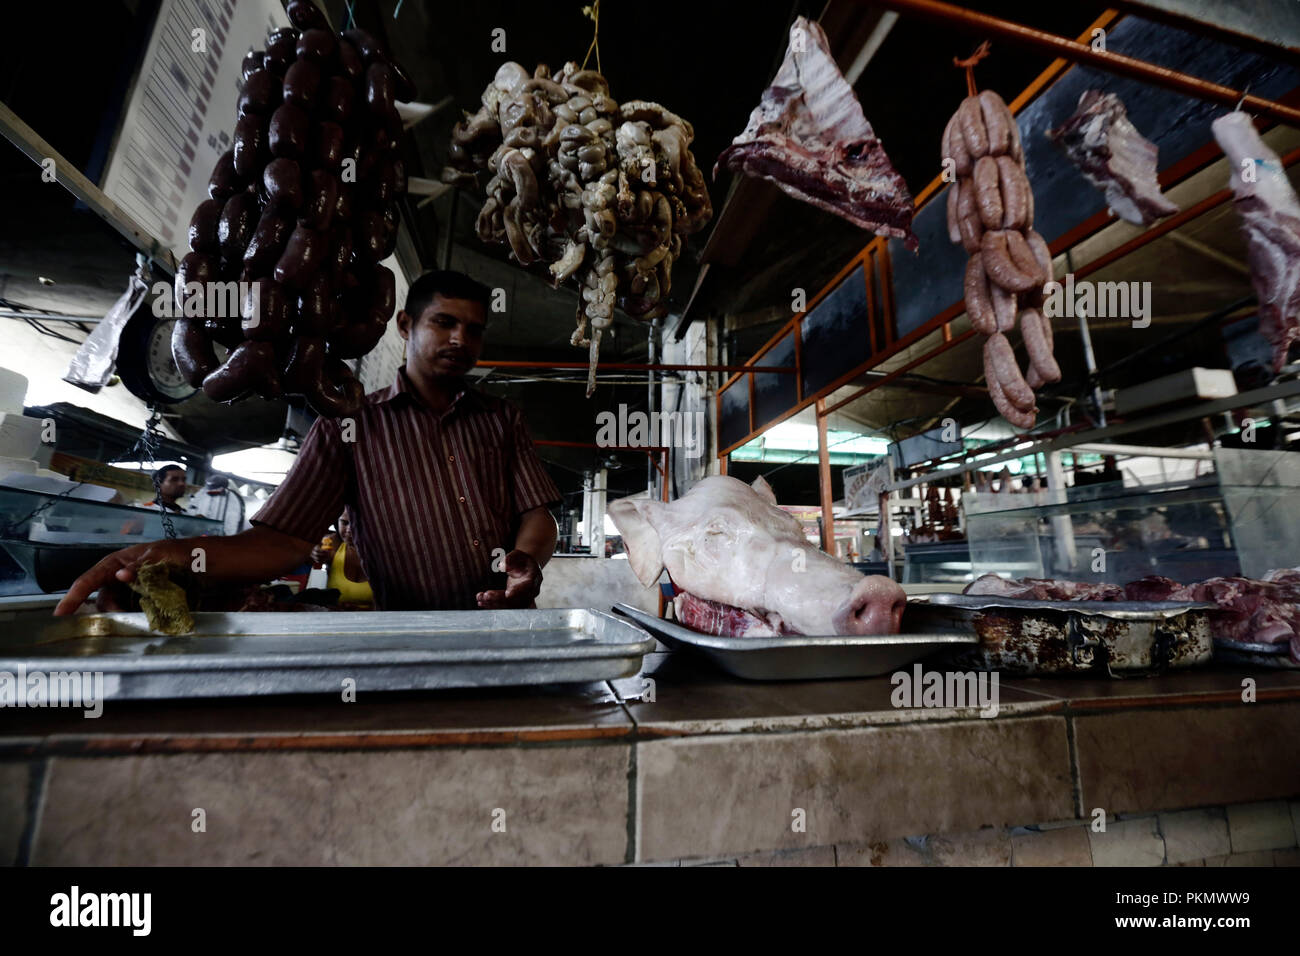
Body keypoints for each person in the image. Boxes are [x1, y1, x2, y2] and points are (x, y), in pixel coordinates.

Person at [56, 270, 562, 615]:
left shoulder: (502, 418)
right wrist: (177, 552)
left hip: (508, 625)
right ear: (406, 325)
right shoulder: (348, 425)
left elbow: (538, 514)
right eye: (444, 323)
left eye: (473, 331)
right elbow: (283, 542)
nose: (459, 340)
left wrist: (525, 563)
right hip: (409, 634)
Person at [311, 512, 373, 607]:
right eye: (344, 523)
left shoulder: (383, 552)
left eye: (357, 523)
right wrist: (315, 552)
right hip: (336, 619)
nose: (349, 529)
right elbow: (318, 551)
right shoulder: (333, 544)